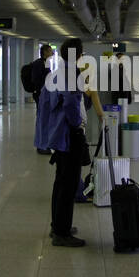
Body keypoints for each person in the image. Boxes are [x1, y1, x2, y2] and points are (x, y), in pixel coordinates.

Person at [35, 38, 103, 246]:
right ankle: (62, 233)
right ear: (80, 54)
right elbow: (72, 104)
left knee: (61, 181)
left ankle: (58, 226)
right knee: (69, 183)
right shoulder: (71, 74)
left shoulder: (57, 72)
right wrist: (76, 125)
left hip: (58, 134)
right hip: (69, 134)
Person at [30, 43, 54, 154]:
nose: (52, 53)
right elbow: (38, 80)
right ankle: (42, 146)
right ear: (44, 52)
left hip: (45, 95)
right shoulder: (39, 64)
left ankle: (43, 144)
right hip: (41, 95)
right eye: (50, 51)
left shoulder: (45, 63)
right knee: (42, 120)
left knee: (44, 120)